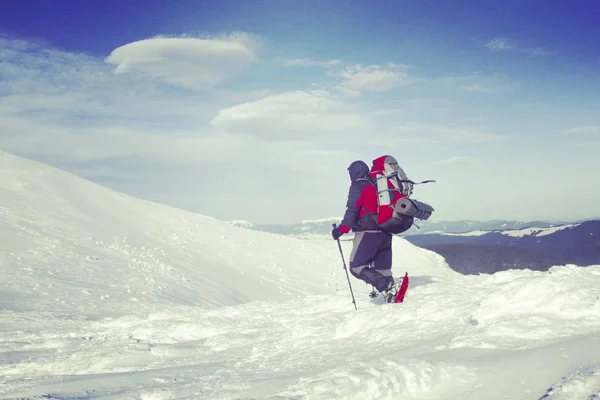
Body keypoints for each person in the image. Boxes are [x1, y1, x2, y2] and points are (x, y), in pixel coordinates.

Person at [331, 160, 400, 301]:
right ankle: (391, 294)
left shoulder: (358, 186)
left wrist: (341, 229)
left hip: (368, 233)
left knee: (356, 266)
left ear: (354, 172)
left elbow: (352, 210)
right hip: (385, 231)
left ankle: (387, 286)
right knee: (382, 269)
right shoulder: (377, 185)